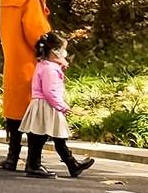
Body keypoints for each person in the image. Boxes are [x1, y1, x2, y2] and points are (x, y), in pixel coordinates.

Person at [0, 0, 56, 172]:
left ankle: (12, 158)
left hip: (13, 61)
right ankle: (34, 163)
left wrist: (41, 0)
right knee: (36, 113)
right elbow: (38, 34)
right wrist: (55, 53)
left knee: (15, 112)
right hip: (32, 64)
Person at [19, 32, 96, 180]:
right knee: (42, 138)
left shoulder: (45, 65)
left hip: (43, 105)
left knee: (52, 138)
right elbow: (50, 92)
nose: (64, 53)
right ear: (55, 51)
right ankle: (35, 166)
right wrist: (63, 107)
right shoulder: (50, 69)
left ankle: (71, 164)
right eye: (62, 49)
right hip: (47, 106)